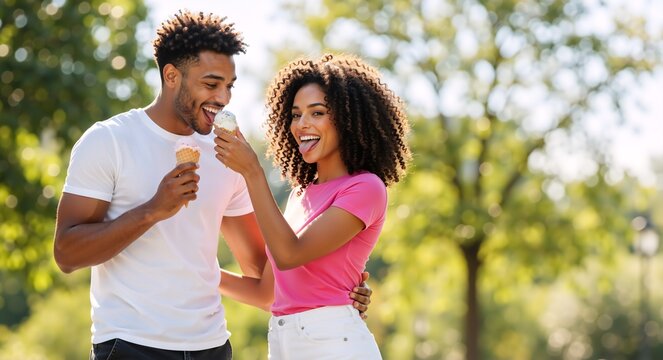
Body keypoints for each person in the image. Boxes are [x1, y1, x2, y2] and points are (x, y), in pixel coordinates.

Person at [53, 11, 371, 360]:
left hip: (212, 347)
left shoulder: (226, 153)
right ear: (171, 76)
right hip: (131, 344)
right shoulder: (109, 141)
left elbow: (266, 280)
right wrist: (152, 211)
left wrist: (344, 289)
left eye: (229, 86)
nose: (223, 98)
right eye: (211, 84)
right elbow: (67, 254)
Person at [214, 53, 411, 359]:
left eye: (317, 113)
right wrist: (198, 273)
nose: (301, 125)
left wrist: (252, 170)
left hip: (334, 343)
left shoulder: (366, 188)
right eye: (295, 114)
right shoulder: (298, 197)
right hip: (284, 343)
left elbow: (290, 254)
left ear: (348, 119)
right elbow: (267, 294)